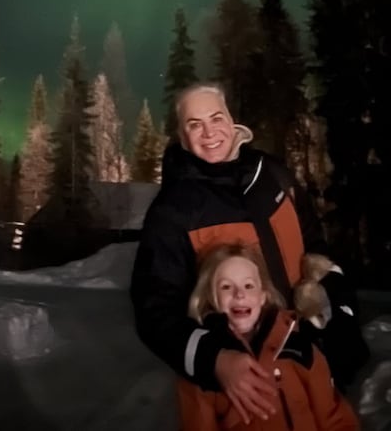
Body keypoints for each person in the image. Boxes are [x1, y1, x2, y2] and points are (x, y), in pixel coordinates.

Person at [130, 83, 367, 425]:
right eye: (195, 124)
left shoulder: (273, 175)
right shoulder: (173, 211)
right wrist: (215, 360)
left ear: (232, 120)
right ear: (182, 135)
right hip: (244, 379)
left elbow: (315, 247)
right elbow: (154, 309)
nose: (210, 132)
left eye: (216, 117)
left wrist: (340, 322)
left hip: (308, 359)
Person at [178, 242, 359, 431]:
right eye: (226, 287)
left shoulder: (299, 348)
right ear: (210, 297)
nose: (239, 294)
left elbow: (334, 419)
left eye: (248, 285)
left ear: (263, 295)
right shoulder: (202, 367)